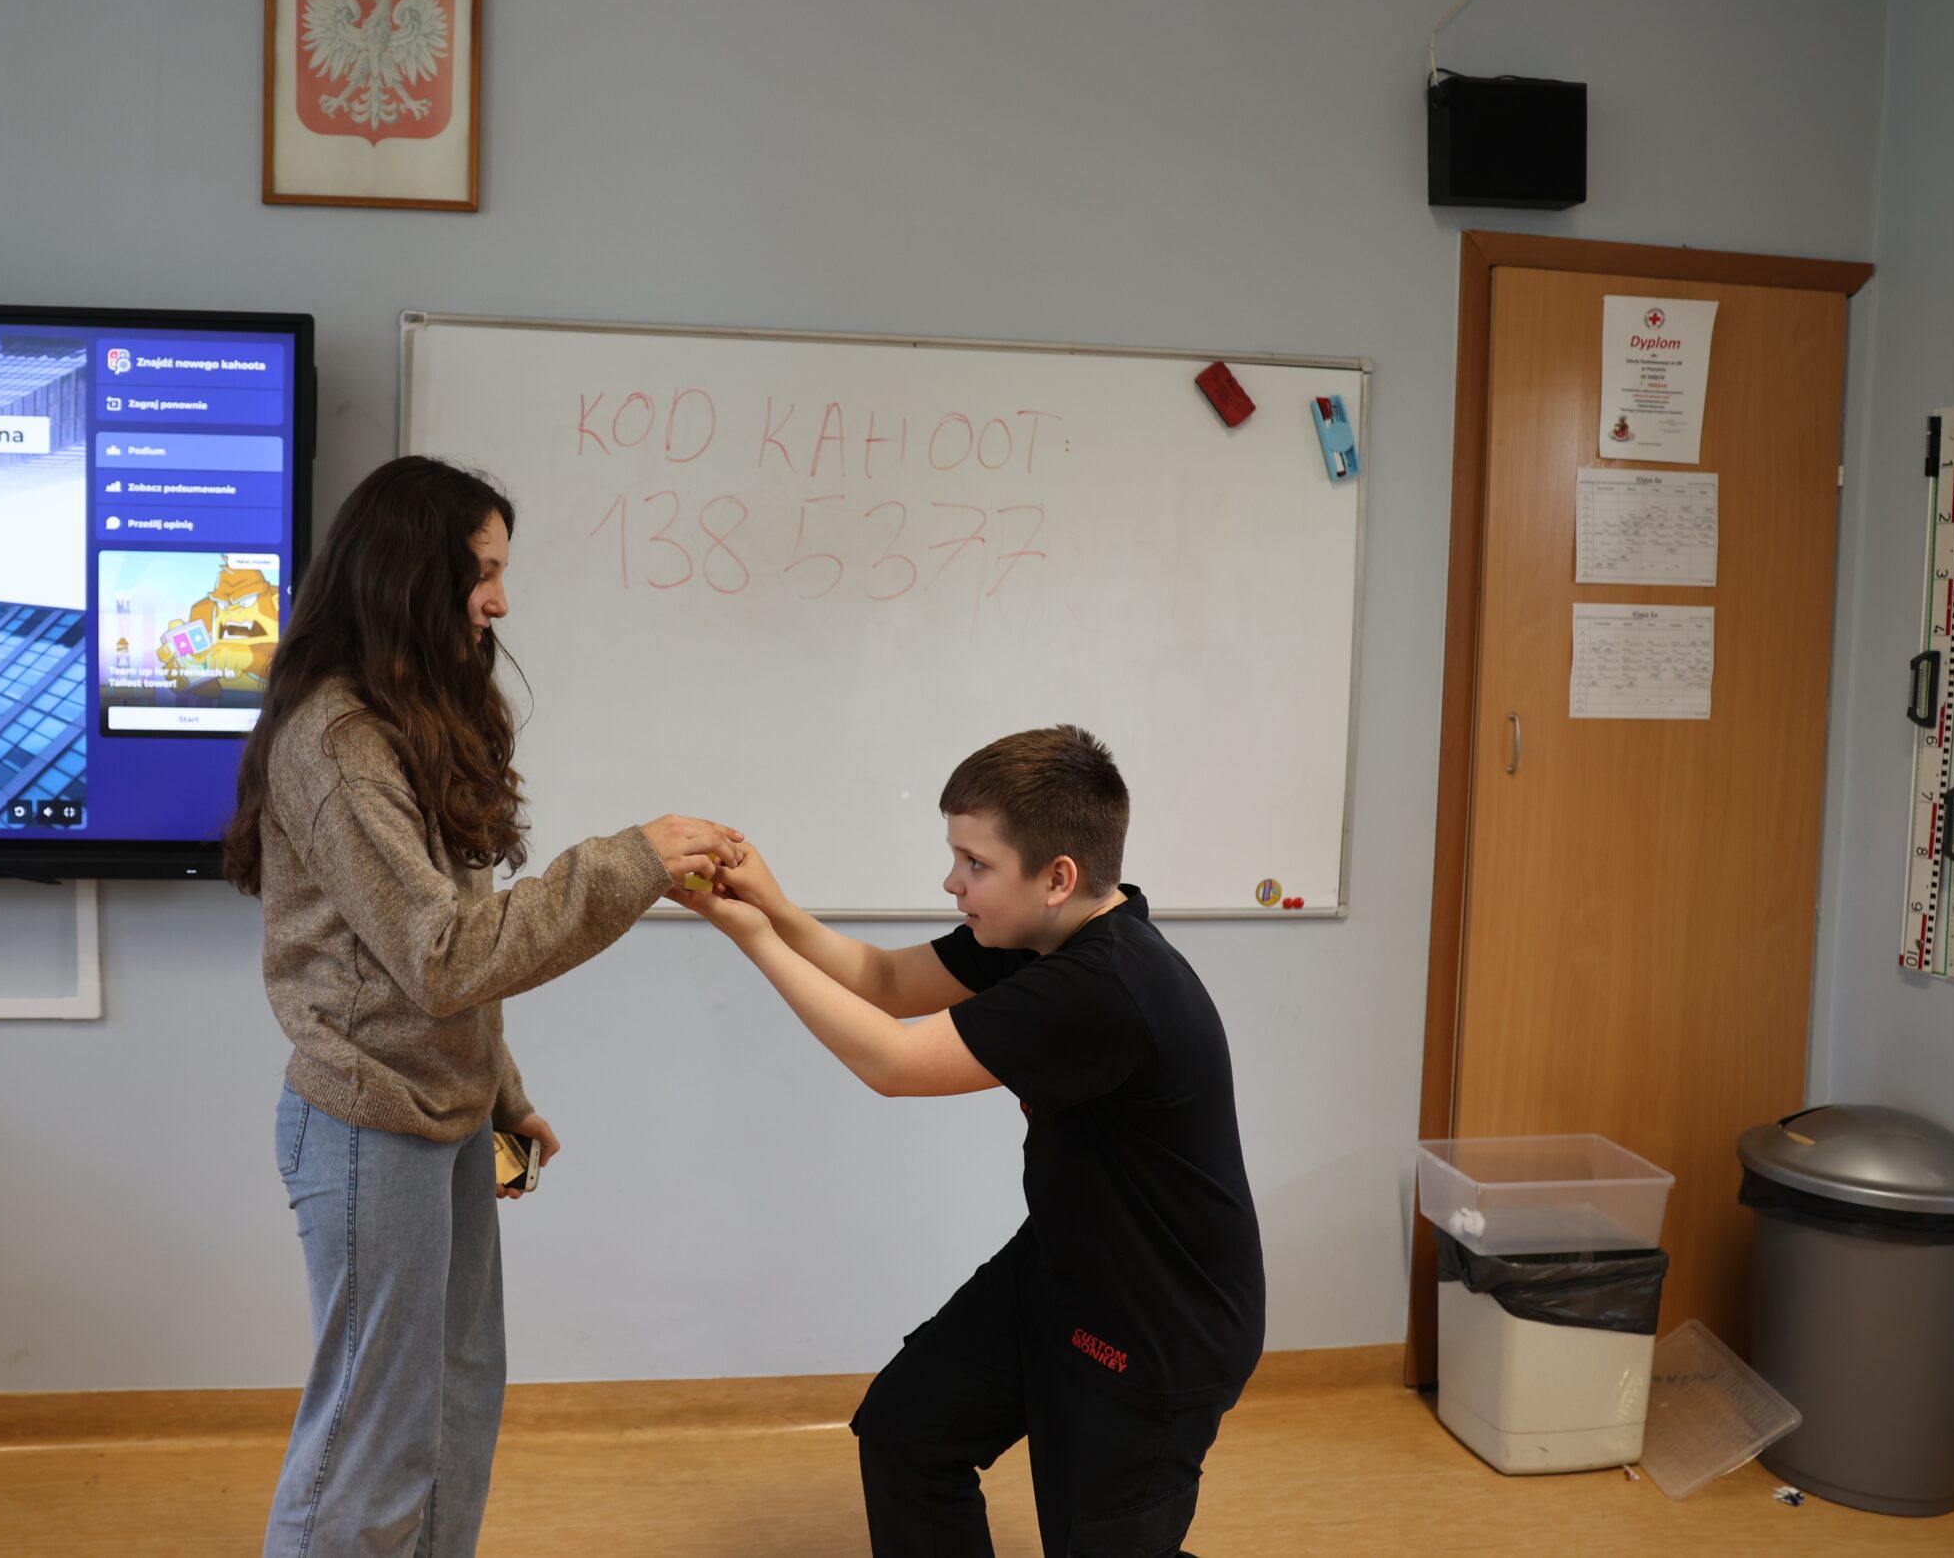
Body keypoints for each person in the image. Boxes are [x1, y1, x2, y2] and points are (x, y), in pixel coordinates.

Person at [226, 455, 741, 1558]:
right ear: (411, 573)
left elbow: (443, 940)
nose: (500, 601)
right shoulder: (336, 743)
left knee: (454, 1408)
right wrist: (629, 861)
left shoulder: (402, 722)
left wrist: (499, 1093)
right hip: (367, 1121)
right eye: (484, 572)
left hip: (445, 1115)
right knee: (374, 1432)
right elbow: (441, 956)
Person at [676, 725, 1263, 1558]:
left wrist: (751, 935)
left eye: (974, 863)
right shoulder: (1039, 936)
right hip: (1061, 1268)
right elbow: (885, 982)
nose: (952, 881)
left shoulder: (1103, 984)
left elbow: (893, 1061)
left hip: (1158, 1322)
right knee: (907, 1431)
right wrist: (773, 906)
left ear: (1057, 877)